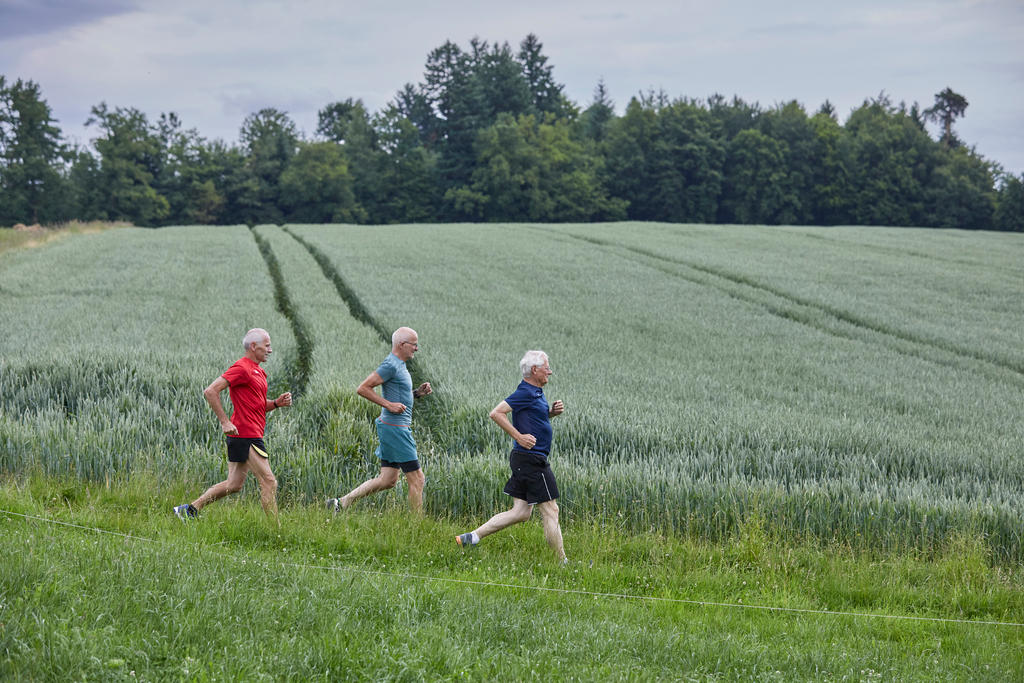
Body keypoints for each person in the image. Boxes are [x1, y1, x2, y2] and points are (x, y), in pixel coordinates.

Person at [456, 350, 567, 563]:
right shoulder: (525, 392)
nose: (550, 372)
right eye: (546, 368)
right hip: (531, 459)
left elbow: (532, 418)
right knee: (551, 510)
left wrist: (551, 413)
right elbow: (496, 413)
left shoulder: (535, 392)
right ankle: (562, 563)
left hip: (524, 458)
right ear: (534, 370)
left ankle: (472, 537)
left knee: (520, 512)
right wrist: (519, 436)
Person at [173, 328, 291, 522]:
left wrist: (277, 403)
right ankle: (275, 533)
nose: (270, 350)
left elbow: (259, 406)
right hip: (246, 434)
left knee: (234, 484)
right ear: (253, 346)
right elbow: (210, 391)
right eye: (267, 345)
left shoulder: (259, 371)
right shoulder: (242, 367)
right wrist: (224, 421)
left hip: (244, 434)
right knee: (269, 482)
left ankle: (189, 510)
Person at [328, 327, 432, 514]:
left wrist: (416, 393)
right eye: (414, 344)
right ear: (402, 344)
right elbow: (363, 388)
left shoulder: (399, 364)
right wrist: (389, 405)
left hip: (392, 427)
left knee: (388, 480)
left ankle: (340, 503)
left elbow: (397, 392)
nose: (416, 348)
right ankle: (418, 529)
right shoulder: (390, 365)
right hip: (396, 429)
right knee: (417, 479)